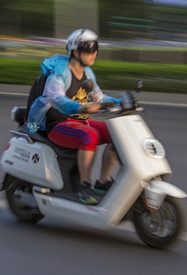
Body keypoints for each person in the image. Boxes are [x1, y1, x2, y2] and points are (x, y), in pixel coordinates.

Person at [27, 29, 121, 205]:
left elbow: (98, 96)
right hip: (58, 124)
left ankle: (103, 182)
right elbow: (56, 98)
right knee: (89, 135)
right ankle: (84, 185)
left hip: (80, 121)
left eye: (96, 48)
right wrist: (80, 107)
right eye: (89, 48)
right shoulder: (60, 73)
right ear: (75, 51)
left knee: (118, 133)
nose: (94, 53)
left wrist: (121, 102)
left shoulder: (88, 74)